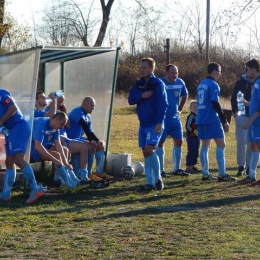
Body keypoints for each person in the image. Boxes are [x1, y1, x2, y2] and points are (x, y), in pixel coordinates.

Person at [128, 57, 168, 191]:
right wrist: (142, 95)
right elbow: (130, 99)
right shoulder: (138, 84)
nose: (141, 70)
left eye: (144, 67)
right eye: (140, 67)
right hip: (143, 124)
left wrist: (159, 122)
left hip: (154, 124)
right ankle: (149, 183)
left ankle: (158, 179)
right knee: (145, 153)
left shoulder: (158, 84)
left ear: (152, 69)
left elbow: (163, 104)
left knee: (149, 149)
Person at [0, 89, 43, 204]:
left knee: (18, 159)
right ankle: (6, 194)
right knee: (9, 161)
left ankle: (35, 189)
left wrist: (1, 122)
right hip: (10, 130)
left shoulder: (2, 93)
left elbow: (13, 108)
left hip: (18, 127)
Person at [196, 62, 236, 181]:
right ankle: (222, 174)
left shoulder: (201, 84)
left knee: (205, 146)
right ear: (213, 71)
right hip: (211, 119)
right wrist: (224, 120)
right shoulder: (213, 84)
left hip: (201, 118)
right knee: (221, 144)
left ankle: (205, 174)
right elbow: (215, 102)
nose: (220, 73)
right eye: (219, 71)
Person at [30, 112, 84, 189]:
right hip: (30, 149)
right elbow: (37, 146)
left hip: (43, 146)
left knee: (65, 150)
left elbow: (58, 145)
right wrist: (54, 160)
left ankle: (70, 180)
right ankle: (69, 184)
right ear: (56, 120)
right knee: (57, 156)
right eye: (62, 124)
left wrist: (66, 163)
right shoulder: (41, 123)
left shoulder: (56, 128)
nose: (62, 127)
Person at [65, 97, 114, 181]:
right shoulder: (77, 111)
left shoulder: (88, 116)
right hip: (70, 139)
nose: (93, 108)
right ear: (85, 104)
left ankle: (99, 172)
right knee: (90, 146)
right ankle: (87, 173)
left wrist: (97, 141)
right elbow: (84, 125)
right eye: (92, 105)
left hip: (78, 139)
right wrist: (91, 141)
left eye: (94, 106)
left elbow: (90, 131)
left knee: (101, 144)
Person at [156, 64, 189, 177]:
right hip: (162, 119)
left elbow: (185, 95)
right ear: (166, 73)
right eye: (173, 72)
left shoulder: (180, 82)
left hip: (175, 119)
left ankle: (177, 168)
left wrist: (180, 108)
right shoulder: (160, 83)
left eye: (176, 72)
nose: (175, 75)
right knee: (160, 143)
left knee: (179, 142)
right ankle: (160, 169)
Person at [238, 58, 260, 185]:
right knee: (253, 148)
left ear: (253, 68)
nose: (246, 73)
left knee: (257, 147)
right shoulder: (256, 82)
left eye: (247, 70)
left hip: (257, 122)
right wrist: (248, 103)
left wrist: (250, 121)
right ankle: (251, 175)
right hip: (255, 122)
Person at [230, 72, 254, 176]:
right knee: (241, 142)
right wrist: (236, 115)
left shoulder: (257, 82)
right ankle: (241, 166)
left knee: (250, 144)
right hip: (242, 116)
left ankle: (249, 167)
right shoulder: (240, 83)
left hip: (254, 117)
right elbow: (233, 99)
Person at [185, 100, 200, 174]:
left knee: (196, 151)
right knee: (191, 151)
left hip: (197, 137)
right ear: (190, 108)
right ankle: (189, 166)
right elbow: (188, 126)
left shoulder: (198, 116)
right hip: (191, 137)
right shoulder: (191, 116)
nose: (195, 108)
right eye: (193, 107)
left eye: (197, 107)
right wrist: (194, 131)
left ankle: (193, 165)